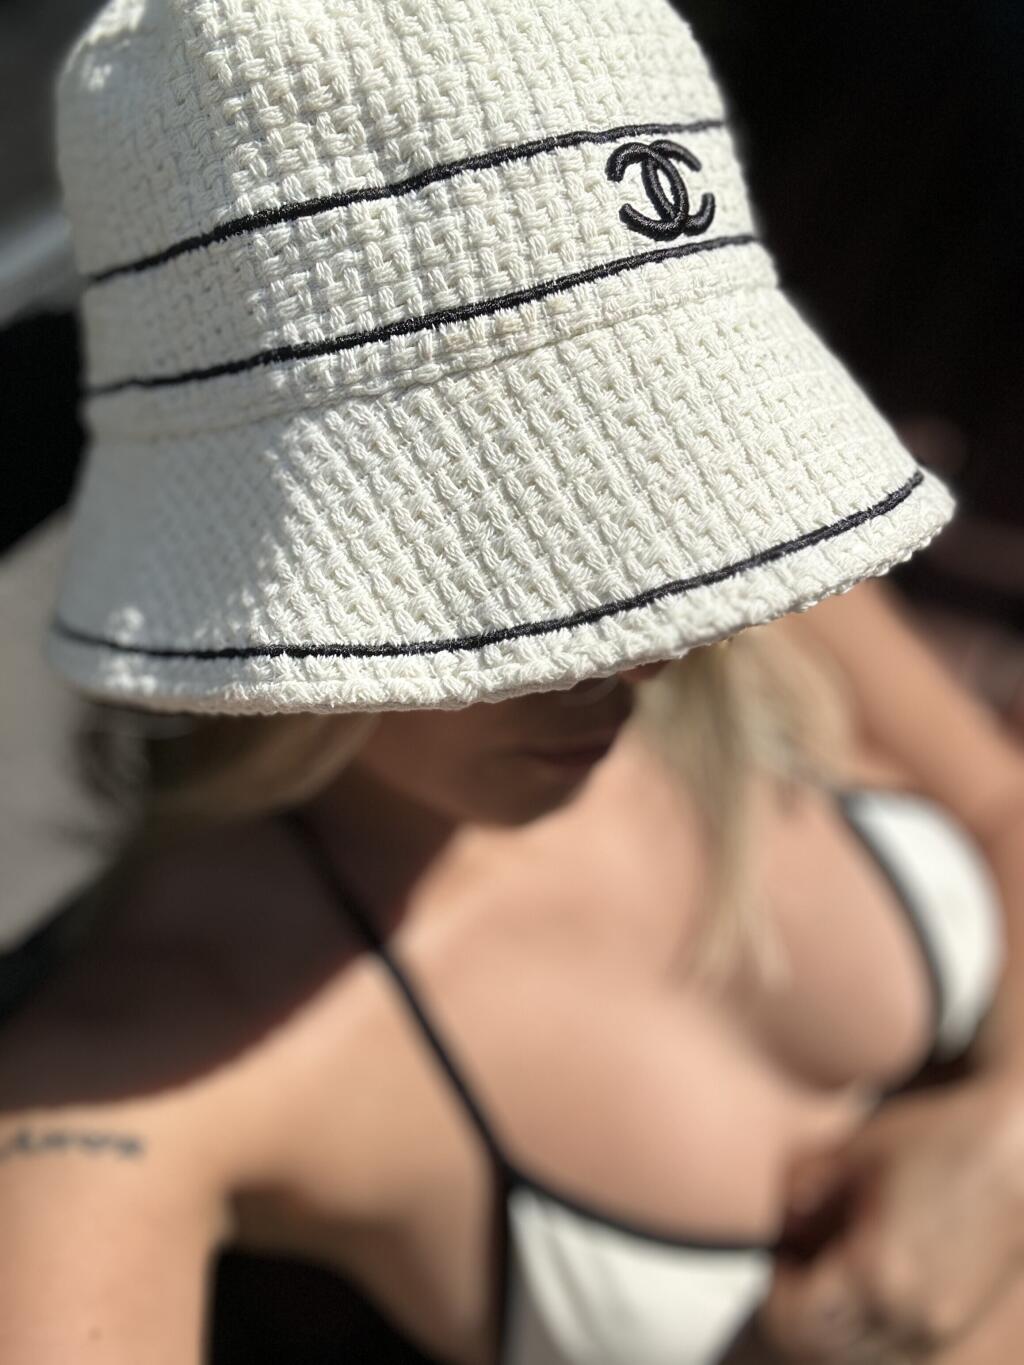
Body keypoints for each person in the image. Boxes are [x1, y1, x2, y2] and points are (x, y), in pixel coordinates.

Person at [3, 2, 1024, 1363]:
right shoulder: (136, 1077)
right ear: (270, 543)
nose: (653, 633)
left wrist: (1008, 1136)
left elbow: (1005, 806)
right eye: (521, 540)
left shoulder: (731, 591)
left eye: (658, 471)